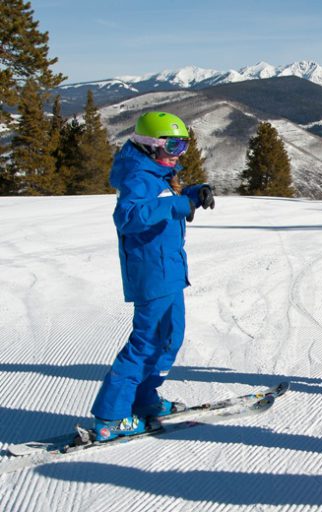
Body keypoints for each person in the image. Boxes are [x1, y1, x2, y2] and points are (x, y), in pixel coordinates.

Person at [90, 111, 215, 441]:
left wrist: (194, 192)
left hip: (169, 268)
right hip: (151, 272)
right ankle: (110, 417)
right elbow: (129, 216)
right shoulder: (136, 175)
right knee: (146, 343)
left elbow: (165, 199)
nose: (178, 153)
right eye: (172, 144)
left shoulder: (158, 171)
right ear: (149, 144)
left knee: (170, 337)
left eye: (184, 144)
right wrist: (178, 206)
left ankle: (145, 400)